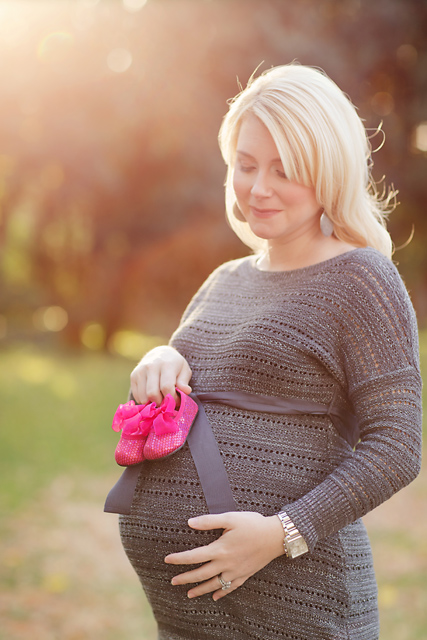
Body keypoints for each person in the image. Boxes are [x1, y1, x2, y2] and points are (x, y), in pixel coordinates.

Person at [115, 63, 422, 639]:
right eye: (246, 165)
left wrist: (283, 532)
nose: (257, 188)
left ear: (328, 173)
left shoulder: (361, 279)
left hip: (299, 612)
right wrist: (158, 359)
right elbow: (179, 414)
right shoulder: (223, 280)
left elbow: (400, 443)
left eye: (284, 170)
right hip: (189, 620)